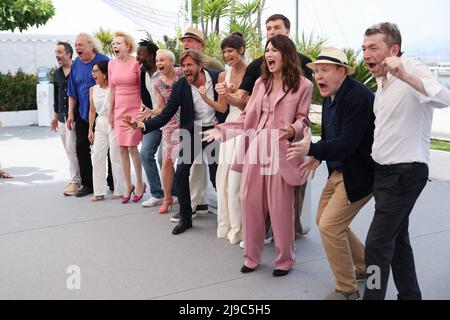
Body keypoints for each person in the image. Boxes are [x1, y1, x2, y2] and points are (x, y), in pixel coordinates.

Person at [202, 35, 313, 276]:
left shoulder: (303, 85)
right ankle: (251, 257)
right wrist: (222, 130)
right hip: (256, 148)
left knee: (281, 208)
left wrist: (293, 129)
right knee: (249, 202)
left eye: (275, 50)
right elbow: (247, 117)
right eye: (267, 50)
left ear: (287, 54)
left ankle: (284, 260)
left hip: (281, 150)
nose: (269, 55)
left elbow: (304, 119)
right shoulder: (261, 84)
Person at [361, 22, 450, 300]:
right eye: (364, 48)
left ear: (394, 49)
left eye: (373, 48)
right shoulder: (381, 82)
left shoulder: (410, 69)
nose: (365, 54)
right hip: (384, 175)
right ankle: (410, 296)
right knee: (398, 240)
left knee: (376, 245)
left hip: (405, 174)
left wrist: (406, 75)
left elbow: (445, 97)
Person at [287, 47, 375, 300]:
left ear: (341, 71)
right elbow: (330, 134)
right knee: (325, 221)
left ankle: (347, 289)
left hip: (359, 173)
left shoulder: (357, 97)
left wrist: (313, 148)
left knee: (330, 226)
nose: (318, 77)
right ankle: (366, 267)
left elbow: (348, 143)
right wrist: (317, 155)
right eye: (316, 71)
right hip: (338, 170)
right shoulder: (330, 96)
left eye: (324, 70)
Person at [225, 14, 313, 248]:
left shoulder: (306, 67)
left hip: (292, 140)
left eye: (277, 28)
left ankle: (289, 233)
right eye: (268, 29)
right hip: (261, 138)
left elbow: (307, 111)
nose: (272, 32)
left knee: (292, 191)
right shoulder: (258, 68)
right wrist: (227, 97)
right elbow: (244, 102)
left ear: (288, 30)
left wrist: (296, 131)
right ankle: (262, 232)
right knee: (253, 191)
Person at [124, 50, 228, 235]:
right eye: (184, 65)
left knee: (216, 176)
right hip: (193, 131)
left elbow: (226, 105)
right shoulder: (181, 85)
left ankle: (227, 218)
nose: (186, 69)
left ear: (200, 65)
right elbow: (166, 114)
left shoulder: (216, 77)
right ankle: (186, 218)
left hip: (215, 130)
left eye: (190, 65)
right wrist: (142, 125)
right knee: (181, 173)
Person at [205, 32, 247, 245]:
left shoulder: (253, 73)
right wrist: (206, 98)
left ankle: (243, 229)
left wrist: (232, 95)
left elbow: (248, 106)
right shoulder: (223, 75)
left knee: (238, 181)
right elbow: (223, 106)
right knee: (223, 179)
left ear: (241, 50)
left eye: (230, 51)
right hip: (229, 123)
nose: (226, 55)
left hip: (247, 125)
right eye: (224, 52)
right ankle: (228, 225)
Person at [179, 27, 225, 219]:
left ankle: (226, 212)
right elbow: (180, 94)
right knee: (187, 170)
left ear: (201, 43)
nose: (186, 43)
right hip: (193, 128)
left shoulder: (214, 65)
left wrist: (222, 122)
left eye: (190, 40)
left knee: (215, 172)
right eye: (184, 40)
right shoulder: (183, 65)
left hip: (214, 127)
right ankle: (192, 208)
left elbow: (224, 91)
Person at [67, 33, 110, 197]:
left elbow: (113, 86)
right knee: (81, 147)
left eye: (81, 45)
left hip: (103, 113)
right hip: (83, 113)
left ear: (91, 46)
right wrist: (71, 113)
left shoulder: (104, 61)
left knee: (107, 150)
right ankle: (88, 184)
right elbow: (72, 91)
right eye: (76, 44)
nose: (77, 48)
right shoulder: (76, 63)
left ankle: (113, 182)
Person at [108, 31, 146, 204]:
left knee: (132, 148)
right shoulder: (111, 64)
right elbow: (112, 89)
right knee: (121, 148)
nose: (115, 46)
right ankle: (128, 185)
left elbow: (143, 88)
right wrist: (110, 112)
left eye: (118, 43)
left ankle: (139, 183)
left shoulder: (136, 63)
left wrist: (141, 110)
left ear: (128, 46)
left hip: (134, 109)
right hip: (118, 110)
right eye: (113, 44)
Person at [149, 49, 183, 214]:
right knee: (167, 161)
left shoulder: (182, 73)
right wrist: (149, 113)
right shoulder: (157, 83)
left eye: (162, 60)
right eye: (157, 61)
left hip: (189, 121)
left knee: (189, 162)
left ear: (171, 61)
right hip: (170, 124)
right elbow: (161, 108)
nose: (159, 64)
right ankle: (167, 197)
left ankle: (190, 199)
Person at [136, 38, 166, 208]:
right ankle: (157, 193)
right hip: (153, 119)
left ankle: (174, 193)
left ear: (152, 56)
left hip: (169, 118)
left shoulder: (164, 72)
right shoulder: (143, 73)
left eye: (141, 54)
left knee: (165, 158)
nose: (138, 57)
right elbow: (146, 98)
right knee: (146, 153)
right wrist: (143, 114)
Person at [88, 61, 124, 201]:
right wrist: (90, 129)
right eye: (93, 71)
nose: (93, 74)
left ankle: (120, 189)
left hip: (114, 122)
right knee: (97, 156)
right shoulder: (92, 89)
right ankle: (99, 191)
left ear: (104, 73)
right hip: (100, 123)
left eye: (96, 71)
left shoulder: (114, 88)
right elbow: (92, 110)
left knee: (115, 156)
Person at [51, 41, 81, 196]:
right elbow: (57, 97)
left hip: (76, 117)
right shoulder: (56, 73)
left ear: (69, 53)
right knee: (69, 150)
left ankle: (76, 180)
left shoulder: (78, 69)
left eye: (60, 52)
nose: (57, 55)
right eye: (56, 52)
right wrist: (55, 116)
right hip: (62, 117)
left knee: (74, 149)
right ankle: (78, 178)